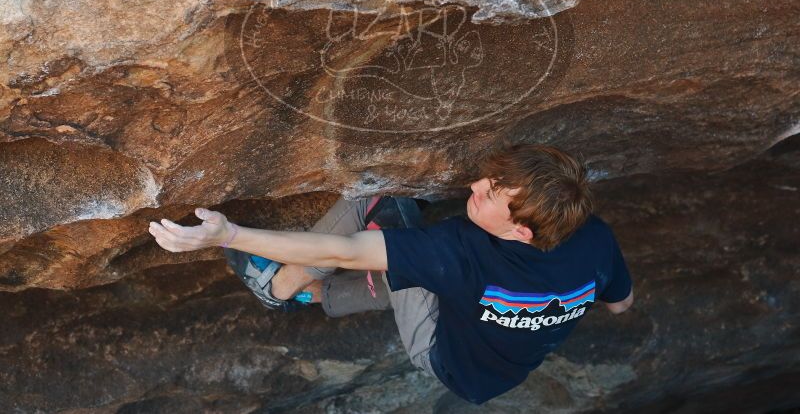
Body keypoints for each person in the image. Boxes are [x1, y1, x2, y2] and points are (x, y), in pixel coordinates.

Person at [149, 143, 634, 405]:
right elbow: (619, 303)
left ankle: (276, 285)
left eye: (489, 195)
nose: (473, 186)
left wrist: (229, 235)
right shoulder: (592, 240)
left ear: (523, 231)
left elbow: (347, 248)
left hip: (442, 356)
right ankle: (318, 295)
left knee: (379, 201)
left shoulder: (460, 252)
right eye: (488, 180)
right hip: (497, 368)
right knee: (422, 269)